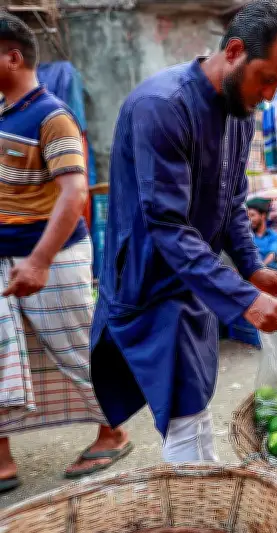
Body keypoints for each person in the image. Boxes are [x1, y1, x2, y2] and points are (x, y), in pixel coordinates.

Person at [90, 0, 277, 463]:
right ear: (234, 51)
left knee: (195, 399)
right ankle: (193, 494)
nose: (269, 95)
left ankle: (200, 485)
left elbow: (231, 203)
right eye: (265, 78)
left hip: (196, 277)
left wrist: (251, 268)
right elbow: (167, 225)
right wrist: (245, 299)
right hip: (151, 281)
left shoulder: (240, 113)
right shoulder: (162, 107)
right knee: (183, 410)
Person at [0, 13, 131, 490]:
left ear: (12, 57)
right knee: (2, 356)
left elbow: (74, 195)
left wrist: (38, 260)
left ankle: (113, 432)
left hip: (52, 257)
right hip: (5, 255)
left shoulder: (52, 116)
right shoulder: (3, 112)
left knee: (76, 349)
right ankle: (1, 453)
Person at [247, 197, 277, 278]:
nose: (249, 219)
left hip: (269, 268)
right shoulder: (247, 236)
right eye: (248, 216)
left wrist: (261, 269)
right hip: (251, 270)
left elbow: (272, 254)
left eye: (252, 215)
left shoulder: (274, 235)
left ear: (263, 215)